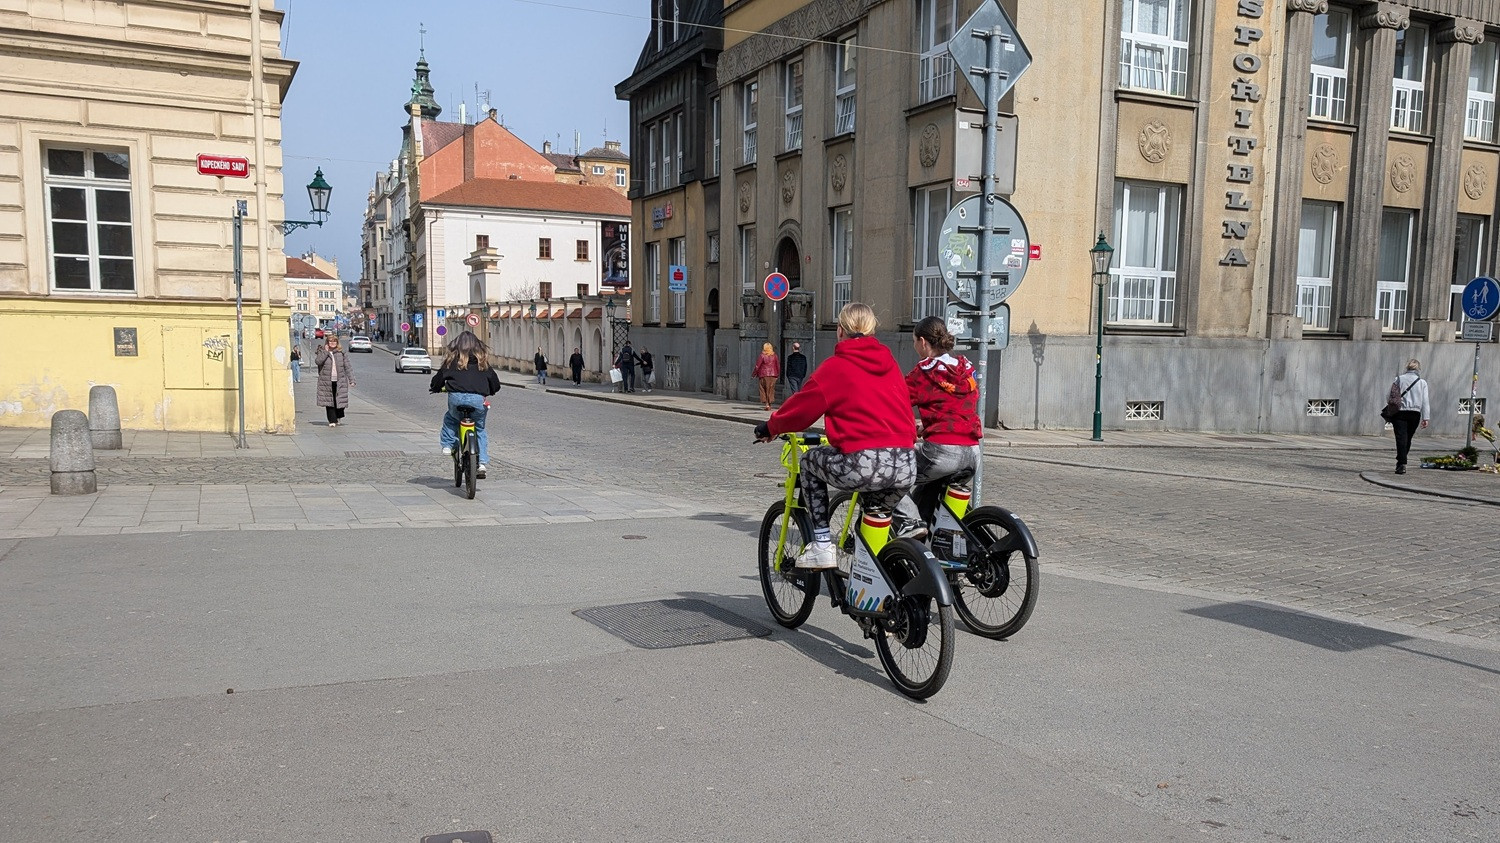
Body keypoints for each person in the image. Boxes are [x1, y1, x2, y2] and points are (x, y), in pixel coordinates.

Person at [754, 303, 917, 570]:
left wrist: (770, 428)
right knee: (875, 513)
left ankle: (821, 546)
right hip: (906, 464)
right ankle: (874, 579)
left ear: (840, 330)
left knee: (809, 463)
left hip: (864, 464)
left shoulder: (836, 367)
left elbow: (802, 410)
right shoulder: (891, 364)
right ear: (872, 330)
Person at [894, 316, 982, 538]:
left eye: (914, 341)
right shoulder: (966, 368)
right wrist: (929, 426)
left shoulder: (923, 372)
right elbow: (955, 408)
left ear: (923, 342)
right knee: (928, 493)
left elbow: (895, 402)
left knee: (886, 470)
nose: (915, 346)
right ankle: (932, 545)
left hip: (941, 453)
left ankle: (910, 522)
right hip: (973, 453)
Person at [430, 331, 502, 479]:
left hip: (455, 398)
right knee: (479, 429)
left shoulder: (451, 362)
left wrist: (436, 388)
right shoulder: (483, 364)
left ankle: (447, 445)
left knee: (451, 419)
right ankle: (482, 463)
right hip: (477, 400)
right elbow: (496, 384)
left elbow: (437, 380)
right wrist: (490, 391)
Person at [1388, 358, 1430, 475]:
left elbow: (1390, 395)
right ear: (1418, 369)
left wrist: (1391, 407)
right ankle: (1401, 461)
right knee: (1408, 438)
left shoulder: (1398, 379)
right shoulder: (1422, 382)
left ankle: (1401, 463)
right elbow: (1425, 401)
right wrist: (1426, 417)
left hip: (1400, 412)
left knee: (1401, 438)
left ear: (1407, 367)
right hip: (1415, 413)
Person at [314, 334, 353, 426]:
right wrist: (326, 352)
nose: (332, 343)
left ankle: (338, 415)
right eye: (330, 341)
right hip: (326, 381)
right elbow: (318, 361)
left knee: (339, 400)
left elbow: (348, 366)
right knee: (329, 401)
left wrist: (352, 380)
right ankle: (332, 420)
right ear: (327, 342)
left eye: (334, 341)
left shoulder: (341, 352)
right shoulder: (322, 351)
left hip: (340, 381)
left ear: (337, 342)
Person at [753, 342, 780, 411]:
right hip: (773, 374)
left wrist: (754, 374)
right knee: (771, 389)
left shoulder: (762, 356)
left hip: (764, 374)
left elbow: (757, 366)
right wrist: (777, 374)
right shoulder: (775, 356)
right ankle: (769, 403)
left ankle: (766, 403)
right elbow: (778, 365)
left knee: (763, 389)